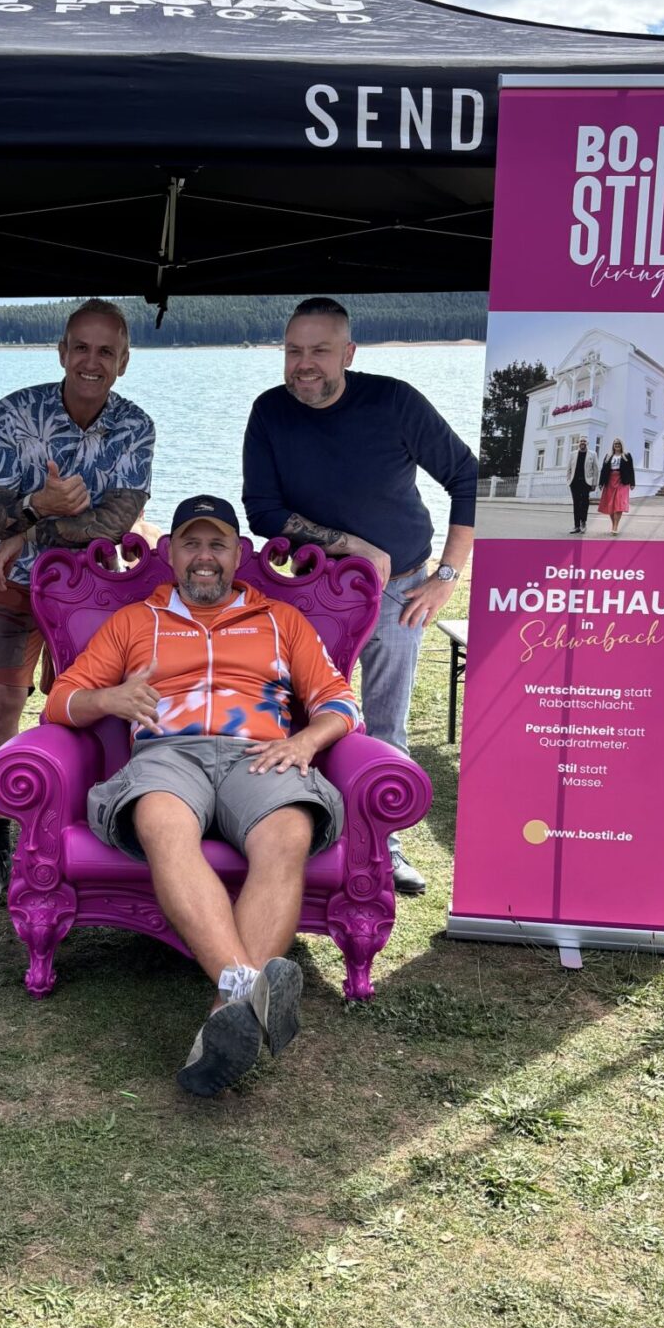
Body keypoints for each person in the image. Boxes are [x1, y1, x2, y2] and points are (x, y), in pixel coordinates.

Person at [43, 495, 362, 1097]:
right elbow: (61, 701)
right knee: (162, 825)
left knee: (289, 833)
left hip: (258, 753)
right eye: (192, 544)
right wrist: (108, 699)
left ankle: (226, 1011)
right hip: (169, 755)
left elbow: (339, 700)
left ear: (239, 554)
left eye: (218, 544)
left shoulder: (280, 620)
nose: (205, 557)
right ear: (171, 554)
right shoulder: (135, 621)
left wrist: (306, 740)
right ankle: (247, 991)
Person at [242, 298, 476, 897]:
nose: (304, 364)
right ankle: (298, 836)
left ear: (347, 353)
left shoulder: (394, 402)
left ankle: (383, 846)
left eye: (319, 351)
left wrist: (448, 575)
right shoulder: (269, 411)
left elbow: (468, 477)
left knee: (385, 724)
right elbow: (262, 510)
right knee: (300, 717)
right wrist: (352, 544)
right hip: (308, 594)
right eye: (294, 351)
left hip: (400, 592)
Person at [0, 299, 155, 910]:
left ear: (123, 361)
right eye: (81, 348)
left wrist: (28, 531)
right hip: (10, 583)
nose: (91, 361)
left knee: (91, 710)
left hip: (94, 591)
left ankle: (83, 832)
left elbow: (116, 522)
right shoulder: (15, 413)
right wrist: (37, 506)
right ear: (62, 351)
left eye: (106, 351)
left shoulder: (137, 427)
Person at [597, 438, 635, 534]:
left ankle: (615, 527)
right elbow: (603, 470)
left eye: (618, 444)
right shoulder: (608, 456)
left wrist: (632, 483)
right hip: (610, 481)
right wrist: (601, 483)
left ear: (621, 445)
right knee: (610, 504)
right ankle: (614, 524)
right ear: (613, 446)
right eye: (615, 444)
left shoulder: (627, 456)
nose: (617, 445)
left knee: (619, 503)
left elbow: (631, 469)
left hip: (622, 481)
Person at [567, 435, 599, 534]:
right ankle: (576, 526)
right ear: (578, 443)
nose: (582, 443)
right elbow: (569, 469)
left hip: (586, 482)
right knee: (576, 504)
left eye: (584, 441)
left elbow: (596, 470)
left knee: (584, 504)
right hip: (574, 482)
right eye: (581, 441)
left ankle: (583, 523)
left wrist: (594, 483)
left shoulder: (593, 454)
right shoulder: (572, 454)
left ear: (587, 443)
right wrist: (569, 481)